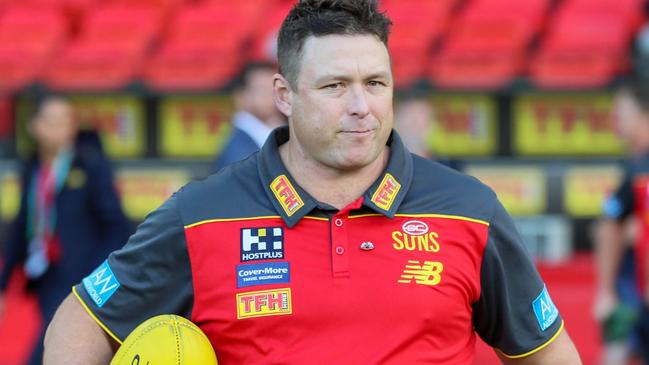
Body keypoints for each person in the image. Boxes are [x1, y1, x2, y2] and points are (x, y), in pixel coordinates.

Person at [43, 1, 582, 364]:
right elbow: (80, 322)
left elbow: (549, 352)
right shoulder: (201, 214)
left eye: (376, 83)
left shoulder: (470, 209)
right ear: (285, 95)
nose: (360, 107)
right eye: (334, 86)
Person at [0, 95, 131, 365]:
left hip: (80, 276)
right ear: (35, 126)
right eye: (53, 121)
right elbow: (22, 225)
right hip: (45, 272)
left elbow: (116, 225)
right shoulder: (32, 167)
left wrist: (96, 275)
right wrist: (3, 285)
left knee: (51, 349)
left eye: (66, 121)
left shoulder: (90, 164)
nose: (61, 128)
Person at [594, 76, 649, 365]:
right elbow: (610, 224)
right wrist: (606, 290)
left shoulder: (640, 170)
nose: (615, 119)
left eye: (622, 112)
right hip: (630, 286)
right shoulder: (634, 167)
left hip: (633, 287)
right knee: (615, 349)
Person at [214, 61, 286, 171]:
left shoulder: (271, 134)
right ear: (240, 97)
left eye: (274, 90)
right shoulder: (239, 151)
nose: (271, 97)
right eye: (262, 90)